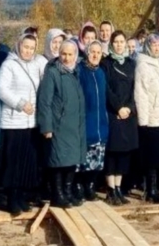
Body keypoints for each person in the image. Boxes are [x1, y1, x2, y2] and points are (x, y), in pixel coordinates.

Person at [0, 34, 48, 216]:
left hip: (30, 122)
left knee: (26, 162)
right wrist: (19, 103)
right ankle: (11, 198)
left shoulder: (36, 65)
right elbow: (2, 89)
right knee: (13, 162)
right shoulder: (9, 65)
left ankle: (21, 196)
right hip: (13, 121)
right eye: (26, 47)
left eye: (32, 48)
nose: (28, 51)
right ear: (19, 45)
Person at [37, 40, 86, 209]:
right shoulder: (52, 73)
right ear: (59, 54)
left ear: (75, 55)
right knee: (58, 161)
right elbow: (45, 102)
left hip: (74, 125)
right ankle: (57, 195)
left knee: (72, 160)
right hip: (59, 125)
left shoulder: (75, 72)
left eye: (70, 54)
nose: (66, 58)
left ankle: (68, 192)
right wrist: (47, 126)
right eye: (63, 54)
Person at [101, 31, 138, 205]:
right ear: (111, 44)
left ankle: (118, 188)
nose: (119, 45)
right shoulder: (106, 64)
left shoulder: (131, 64)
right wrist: (118, 107)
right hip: (113, 113)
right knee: (112, 152)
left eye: (122, 41)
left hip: (128, 114)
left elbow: (134, 88)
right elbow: (106, 89)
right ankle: (110, 190)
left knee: (124, 153)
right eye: (116, 42)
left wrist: (129, 108)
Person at [134, 35, 159, 203]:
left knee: (158, 156)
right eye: (154, 45)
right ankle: (150, 190)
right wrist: (143, 121)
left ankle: (155, 187)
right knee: (150, 156)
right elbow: (140, 94)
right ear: (148, 47)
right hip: (149, 118)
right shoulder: (143, 65)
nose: (157, 48)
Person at [76, 41, 108, 201]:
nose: (95, 55)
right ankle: (79, 186)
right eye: (92, 52)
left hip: (100, 122)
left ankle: (90, 186)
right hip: (85, 121)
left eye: (98, 52)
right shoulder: (80, 70)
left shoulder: (101, 72)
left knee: (97, 159)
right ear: (87, 53)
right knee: (83, 159)